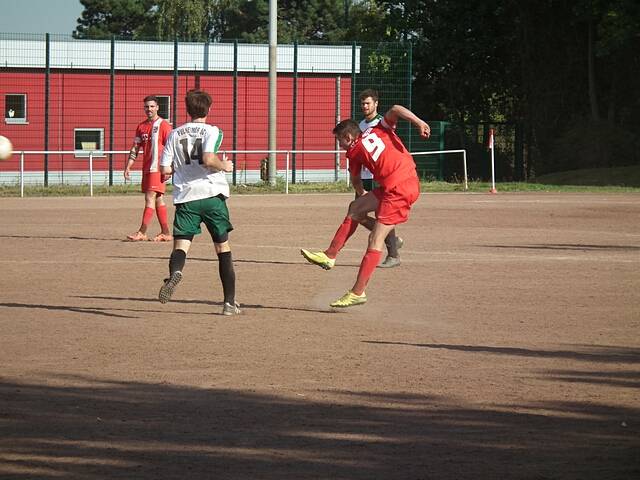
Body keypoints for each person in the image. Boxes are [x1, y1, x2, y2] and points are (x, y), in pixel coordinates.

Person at [301, 104, 430, 308]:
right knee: (355, 209)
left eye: (339, 141)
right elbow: (396, 108)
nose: (339, 146)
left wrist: (362, 195)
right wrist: (419, 122)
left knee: (375, 238)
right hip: (401, 183)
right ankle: (330, 255)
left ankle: (357, 292)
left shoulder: (354, 152)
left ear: (349, 138)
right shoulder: (380, 127)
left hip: (398, 189)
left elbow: (355, 179)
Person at [157, 89, 241, 316]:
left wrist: (177, 169)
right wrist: (226, 166)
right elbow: (208, 158)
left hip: (186, 198)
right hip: (212, 195)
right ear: (209, 109)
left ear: (187, 110)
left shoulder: (174, 134)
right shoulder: (212, 131)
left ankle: (175, 273)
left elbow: (165, 169)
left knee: (181, 246)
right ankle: (229, 304)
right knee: (222, 248)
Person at [357, 88, 403, 268]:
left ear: (376, 104)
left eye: (368, 103)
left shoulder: (383, 123)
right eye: (362, 103)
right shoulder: (360, 126)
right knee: (357, 213)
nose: (365, 106)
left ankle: (393, 255)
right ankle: (393, 239)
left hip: (381, 176)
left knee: (382, 215)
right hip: (365, 176)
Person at [124, 95, 173, 242]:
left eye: (152, 106)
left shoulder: (163, 125)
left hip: (157, 168)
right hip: (147, 168)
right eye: (146, 106)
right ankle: (166, 232)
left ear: (157, 107)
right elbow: (135, 147)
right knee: (158, 199)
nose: (149, 109)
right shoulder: (141, 126)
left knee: (149, 197)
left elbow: (171, 148)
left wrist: (170, 168)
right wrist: (128, 166)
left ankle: (142, 232)